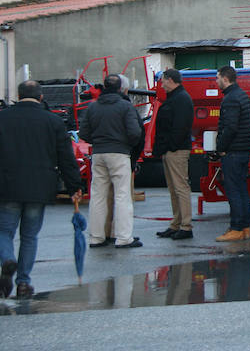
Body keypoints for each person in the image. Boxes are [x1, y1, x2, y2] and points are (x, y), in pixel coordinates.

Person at [0, 80, 82, 299]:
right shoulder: (52, 121)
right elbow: (66, 157)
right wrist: (74, 186)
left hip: (7, 184)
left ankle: (7, 259)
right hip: (40, 186)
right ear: (41, 97)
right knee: (30, 236)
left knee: (4, 231)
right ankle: (24, 282)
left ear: (18, 95)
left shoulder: (2, 118)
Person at [79, 74, 143, 249]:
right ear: (120, 88)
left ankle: (96, 237)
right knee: (122, 195)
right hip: (119, 153)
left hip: (99, 153)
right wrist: (124, 144)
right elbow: (135, 133)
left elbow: (83, 133)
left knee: (98, 196)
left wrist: (98, 141)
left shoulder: (93, 107)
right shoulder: (125, 107)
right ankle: (124, 238)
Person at [152, 68, 194, 240]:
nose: (161, 85)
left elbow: (180, 127)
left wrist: (170, 146)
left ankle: (186, 226)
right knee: (173, 189)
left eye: (163, 81)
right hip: (171, 149)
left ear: (170, 80)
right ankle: (176, 223)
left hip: (176, 151)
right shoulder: (177, 98)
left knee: (180, 188)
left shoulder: (181, 99)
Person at [214, 66, 250, 242]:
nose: (216, 82)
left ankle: (236, 227)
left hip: (233, 151)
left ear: (225, 79)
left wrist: (220, 147)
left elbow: (230, 127)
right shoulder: (242, 95)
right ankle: (245, 227)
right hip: (243, 150)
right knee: (242, 189)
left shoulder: (230, 99)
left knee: (233, 191)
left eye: (217, 78)